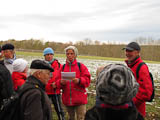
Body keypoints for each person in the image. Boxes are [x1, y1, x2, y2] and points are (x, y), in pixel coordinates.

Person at [55, 46, 91, 120]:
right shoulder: (63, 67)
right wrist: (61, 82)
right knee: (71, 118)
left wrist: (79, 81)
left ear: (75, 55)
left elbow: (87, 80)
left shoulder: (81, 66)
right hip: (67, 100)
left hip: (80, 100)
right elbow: (56, 82)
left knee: (81, 118)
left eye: (72, 53)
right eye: (68, 54)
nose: (69, 55)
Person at [123, 42, 153, 119]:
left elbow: (146, 93)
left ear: (137, 53)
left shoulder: (141, 67)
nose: (127, 53)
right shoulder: (130, 66)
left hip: (136, 113)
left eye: (130, 51)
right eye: (126, 50)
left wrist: (130, 102)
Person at [43, 47, 65, 120]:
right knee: (45, 110)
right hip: (45, 91)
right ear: (44, 56)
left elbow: (62, 78)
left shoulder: (59, 65)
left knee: (59, 110)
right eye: (47, 55)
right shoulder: (41, 65)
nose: (49, 56)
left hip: (55, 91)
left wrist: (57, 84)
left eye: (51, 54)